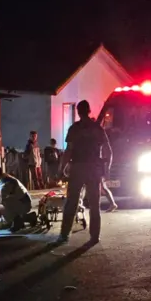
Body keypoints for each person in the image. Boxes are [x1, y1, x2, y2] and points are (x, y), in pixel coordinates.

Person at [54, 100, 112, 246]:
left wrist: (61, 169)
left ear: (78, 112)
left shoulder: (74, 129)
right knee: (94, 203)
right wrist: (107, 169)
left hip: (78, 168)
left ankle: (64, 234)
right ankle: (94, 236)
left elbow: (69, 151)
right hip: (94, 168)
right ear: (89, 110)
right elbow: (108, 150)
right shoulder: (97, 128)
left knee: (71, 202)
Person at [0, 166, 35, 232]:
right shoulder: (4, 179)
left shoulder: (6, 183)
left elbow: (0, 199)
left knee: (0, 204)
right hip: (22, 203)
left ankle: (16, 221)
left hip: (23, 204)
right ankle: (29, 217)